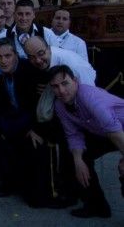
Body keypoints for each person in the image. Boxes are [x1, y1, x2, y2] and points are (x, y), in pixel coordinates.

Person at [0, 38, 52, 206]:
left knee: (33, 147)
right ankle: (9, 183)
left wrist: (35, 129)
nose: (3, 61)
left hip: (30, 121)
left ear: (16, 54)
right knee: (1, 145)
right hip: (6, 121)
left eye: (7, 56)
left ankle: (35, 188)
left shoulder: (30, 69)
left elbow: (41, 104)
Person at [48, 65, 124, 218]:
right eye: (55, 87)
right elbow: (73, 134)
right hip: (105, 133)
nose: (61, 91)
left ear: (75, 81)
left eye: (65, 83)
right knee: (75, 157)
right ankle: (97, 206)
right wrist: (78, 161)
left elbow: (114, 131)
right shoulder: (59, 105)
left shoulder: (89, 96)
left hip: (118, 131)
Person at [24, 36, 96, 85]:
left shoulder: (73, 65)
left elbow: (90, 92)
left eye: (41, 53)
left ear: (49, 48)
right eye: (31, 57)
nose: (38, 60)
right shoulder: (35, 62)